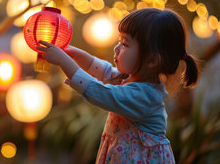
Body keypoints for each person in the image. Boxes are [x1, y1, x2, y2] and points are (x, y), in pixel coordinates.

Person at [36, 8, 199, 164]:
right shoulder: (130, 77)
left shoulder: (143, 96)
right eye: (119, 41)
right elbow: (100, 69)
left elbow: (100, 93)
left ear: (151, 60)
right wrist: (70, 51)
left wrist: (63, 60)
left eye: (125, 44)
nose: (116, 48)